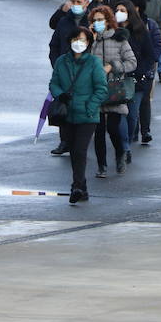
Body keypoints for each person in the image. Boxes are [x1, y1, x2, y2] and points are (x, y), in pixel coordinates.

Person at [48, 28, 108, 205]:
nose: (78, 42)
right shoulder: (61, 61)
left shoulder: (93, 63)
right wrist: (60, 94)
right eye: (75, 39)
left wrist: (90, 106)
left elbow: (101, 89)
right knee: (73, 150)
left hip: (87, 115)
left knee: (80, 150)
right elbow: (54, 83)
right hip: (67, 114)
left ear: (88, 42)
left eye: (82, 39)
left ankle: (77, 187)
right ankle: (83, 188)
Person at [88, 6, 137, 179]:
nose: (97, 23)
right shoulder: (89, 40)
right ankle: (101, 166)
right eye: (95, 20)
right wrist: (90, 39)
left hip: (114, 89)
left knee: (113, 128)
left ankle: (120, 154)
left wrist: (113, 66)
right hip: (95, 91)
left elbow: (132, 63)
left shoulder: (119, 40)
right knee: (98, 130)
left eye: (101, 20)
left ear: (108, 21)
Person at [118, 0, 158, 154]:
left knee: (132, 115)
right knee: (119, 114)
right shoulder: (113, 32)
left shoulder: (141, 32)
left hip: (137, 81)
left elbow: (150, 56)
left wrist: (139, 72)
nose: (118, 13)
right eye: (117, 10)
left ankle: (128, 140)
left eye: (122, 10)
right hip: (117, 80)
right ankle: (124, 147)